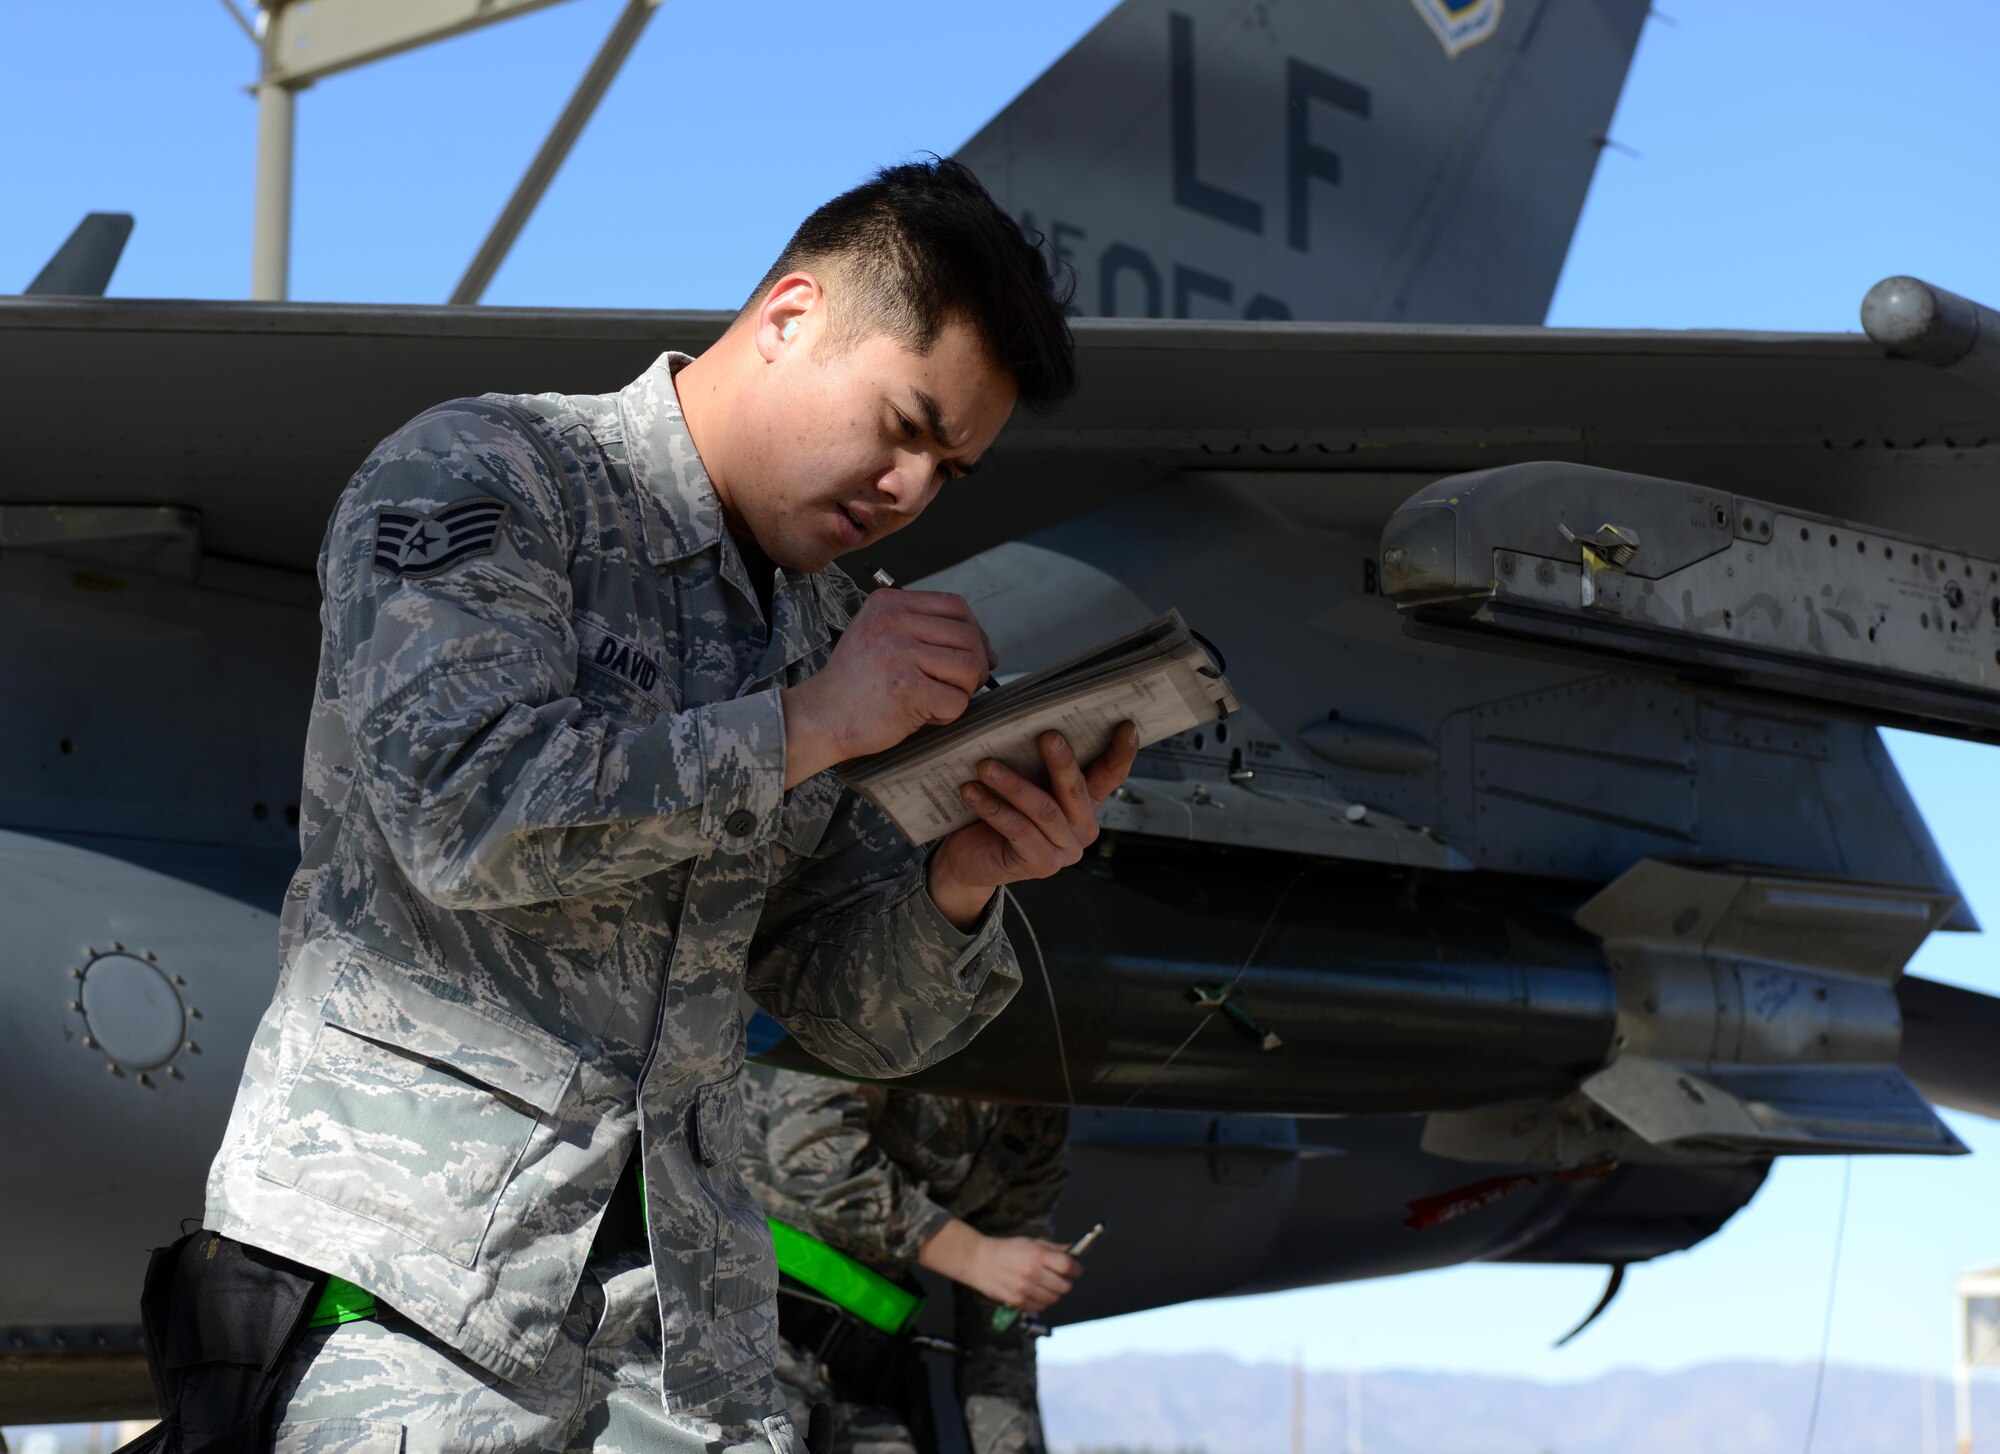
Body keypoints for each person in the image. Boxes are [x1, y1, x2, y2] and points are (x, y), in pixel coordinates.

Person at [158, 158, 1138, 1454]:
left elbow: (849, 1010)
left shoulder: (821, 627)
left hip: (678, 1343)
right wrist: (808, 726)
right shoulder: (493, 478)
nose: (909, 489)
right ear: (790, 317)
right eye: (904, 426)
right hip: (405, 1305)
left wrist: (968, 874)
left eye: (948, 469)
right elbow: (468, 808)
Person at [741, 1064, 1075, 1454]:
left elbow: (997, 1329)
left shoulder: (1038, 1122)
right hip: (738, 1331)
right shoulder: (912, 1021)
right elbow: (811, 1154)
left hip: (857, 1369)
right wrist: (975, 1256)